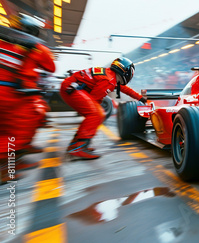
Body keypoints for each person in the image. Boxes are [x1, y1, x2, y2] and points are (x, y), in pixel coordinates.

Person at [0, 14, 56, 182]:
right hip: (13, 93)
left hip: (8, 90)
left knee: (4, 129)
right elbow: (51, 66)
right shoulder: (35, 46)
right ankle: (6, 169)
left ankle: (21, 152)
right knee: (20, 129)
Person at [60, 57, 146, 160]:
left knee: (95, 114)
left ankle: (76, 145)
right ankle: (79, 147)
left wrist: (140, 98)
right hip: (71, 88)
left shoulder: (110, 75)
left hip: (71, 87)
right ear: (125, 71)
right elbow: (95, 99)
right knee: (96, 114)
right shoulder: (109, 81)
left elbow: (125, 89)